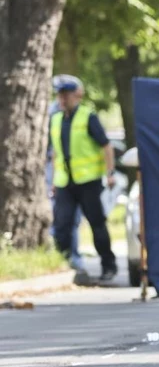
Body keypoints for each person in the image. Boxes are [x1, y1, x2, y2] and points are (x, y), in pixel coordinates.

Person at [49, 75, 119, 281]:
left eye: (66, 96)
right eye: (60, 96)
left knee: (97, 224)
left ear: (76, 96)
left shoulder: (88, 117)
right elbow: (55, 152)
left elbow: (106, 146)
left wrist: (110, 172)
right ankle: (65, 265)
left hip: (88, 182)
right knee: (61, 226)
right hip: (65, 182)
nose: (62, 100)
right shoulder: (55, 120)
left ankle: (108, 265)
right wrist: (54, 179)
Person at [45, 94, 83, 271]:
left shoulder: (77, 117)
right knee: (61, 220)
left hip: (70, 177)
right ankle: (63, 256)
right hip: (56, 176)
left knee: (70, 220)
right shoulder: (54, 115)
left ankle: (71, 256)